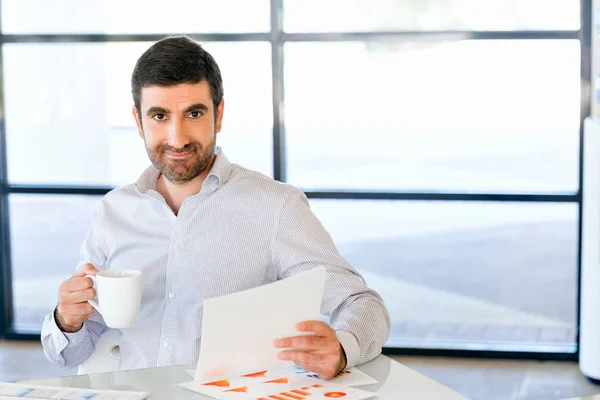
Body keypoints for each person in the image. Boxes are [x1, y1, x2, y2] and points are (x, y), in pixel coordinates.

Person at [41, 35, 390, 379]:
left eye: (194, 113)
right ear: (138, 121)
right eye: (159, 116)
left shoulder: (275, 207)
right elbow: (70, 355)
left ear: (218, 115)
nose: (177, 138)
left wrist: (342, 348)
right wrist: (66, 320)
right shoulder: (113, 213)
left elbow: (363, 304)